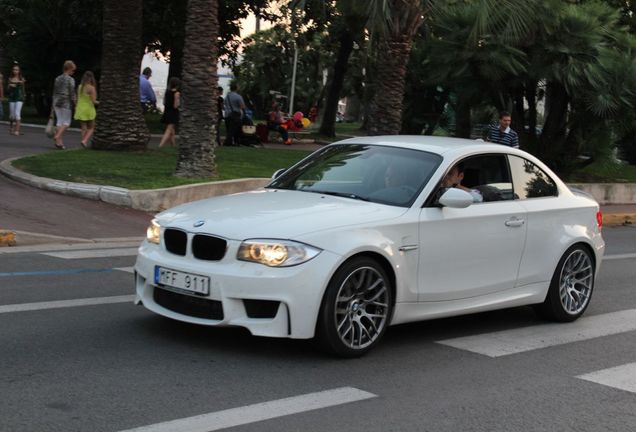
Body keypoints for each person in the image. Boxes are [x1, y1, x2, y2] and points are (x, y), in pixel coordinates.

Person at [52, 60, 76, 149]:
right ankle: (57, 136)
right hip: (65, 102)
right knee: (67, 123)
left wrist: (52, 105)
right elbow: (72, 93)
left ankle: (59, 143)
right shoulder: (70, 79)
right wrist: (75, 103)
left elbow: (54, 92)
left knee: (59, 122)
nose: (73, 72)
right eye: (73, 70)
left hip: (56, 101)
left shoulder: (57, 78)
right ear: (69, 69)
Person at [74, 71, 99, 148]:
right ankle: (84, 141)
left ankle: (83, 142)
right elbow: (94, 101)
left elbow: (77, 99)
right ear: (92, 79)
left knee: (83, 127)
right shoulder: (91, 88)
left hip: (80, 108)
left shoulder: (80, 87)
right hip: (88, 109)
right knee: (91, 127)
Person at [159, 77, 181, 148]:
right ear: (177, 85)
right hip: (173, 113)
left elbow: (164, 102)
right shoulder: (177, 93)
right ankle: (161, 145)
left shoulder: (167, 92)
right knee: (169, 130)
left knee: (172, 130)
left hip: (167, 111)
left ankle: (173, 145)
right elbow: (175, 105)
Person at [7, 64, 26, 136]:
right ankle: (11, 128)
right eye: (14, 69)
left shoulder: (22, 79)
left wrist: (24, 95)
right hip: (12, 98)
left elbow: (23, 89)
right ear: (12, 71)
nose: (15, 71)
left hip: (19, 98)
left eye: (17, 70)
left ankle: (17, 130)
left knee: (17, 114)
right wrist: (10, 85)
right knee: (12, 116)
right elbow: (8, 89)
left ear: (19, 71)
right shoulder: (10, 79)